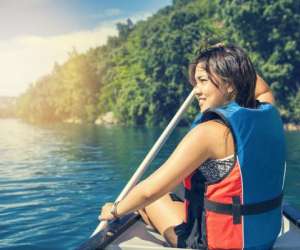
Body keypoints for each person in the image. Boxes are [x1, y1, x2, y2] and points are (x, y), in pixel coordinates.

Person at [99, 44, 286, 249]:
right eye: (196, 82)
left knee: (147, 200)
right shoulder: (269, 110)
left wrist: (114, 210)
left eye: (203, 81)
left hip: (221, 245)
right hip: (264, 240)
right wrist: (229, 57)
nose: (196, 91)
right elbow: (263, 88)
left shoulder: (210, 132)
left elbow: (148, 192)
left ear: (230, 84)